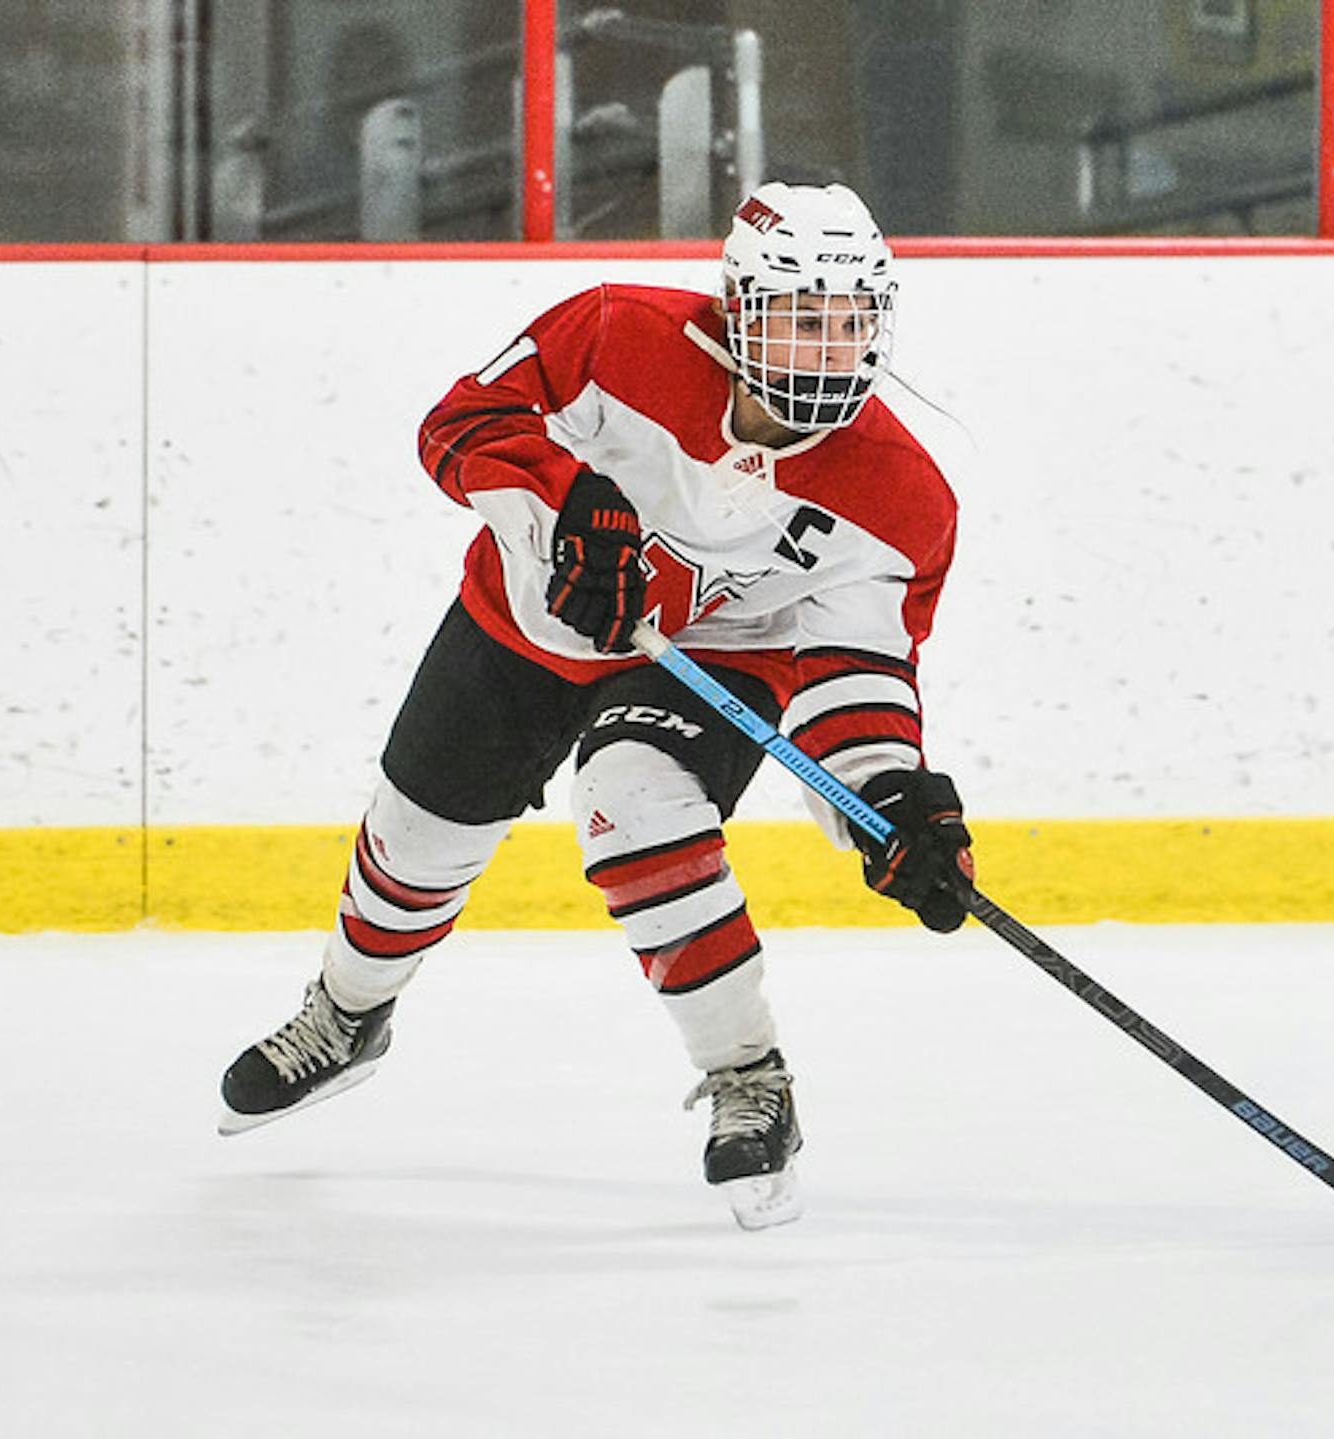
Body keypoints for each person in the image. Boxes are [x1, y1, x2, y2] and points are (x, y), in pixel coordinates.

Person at [217, 181, 975, 1230]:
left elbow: (855, 677)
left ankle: (748, 1075)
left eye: (853, 325)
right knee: (418, 838)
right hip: (530, 616)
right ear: (739, 310)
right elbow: (461, 423)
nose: (832, 353)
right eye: (805, 321)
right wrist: (565, 502)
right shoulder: (615, 334)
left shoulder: (901, 497)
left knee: (635, 802)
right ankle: (346, 1015)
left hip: (714, 653)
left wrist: (887, 802)